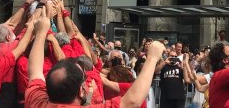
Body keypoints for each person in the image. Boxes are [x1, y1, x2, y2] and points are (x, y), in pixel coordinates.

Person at [24, 13, 166, 108]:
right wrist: (153, 57)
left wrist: (41, 32)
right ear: (81, 91)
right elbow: (133, 100)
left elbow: (34, 72)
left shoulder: (36, 101)